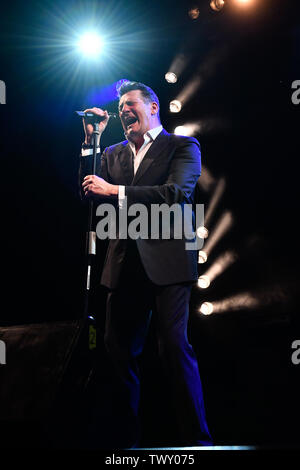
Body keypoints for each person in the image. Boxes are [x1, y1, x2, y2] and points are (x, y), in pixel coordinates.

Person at [79, 81, 212, 447]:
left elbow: (175, 194)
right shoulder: (113, 153)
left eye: (130, 104)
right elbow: (89, 192)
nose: (123, 110)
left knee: (172, 346)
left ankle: (197, 441)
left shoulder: (182, 146)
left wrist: (117, 191)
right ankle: (126, 444)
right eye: (120, 106)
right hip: (123, 263)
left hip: (169, 259)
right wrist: (91, 142)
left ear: (153, 107)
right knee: (117, 352)